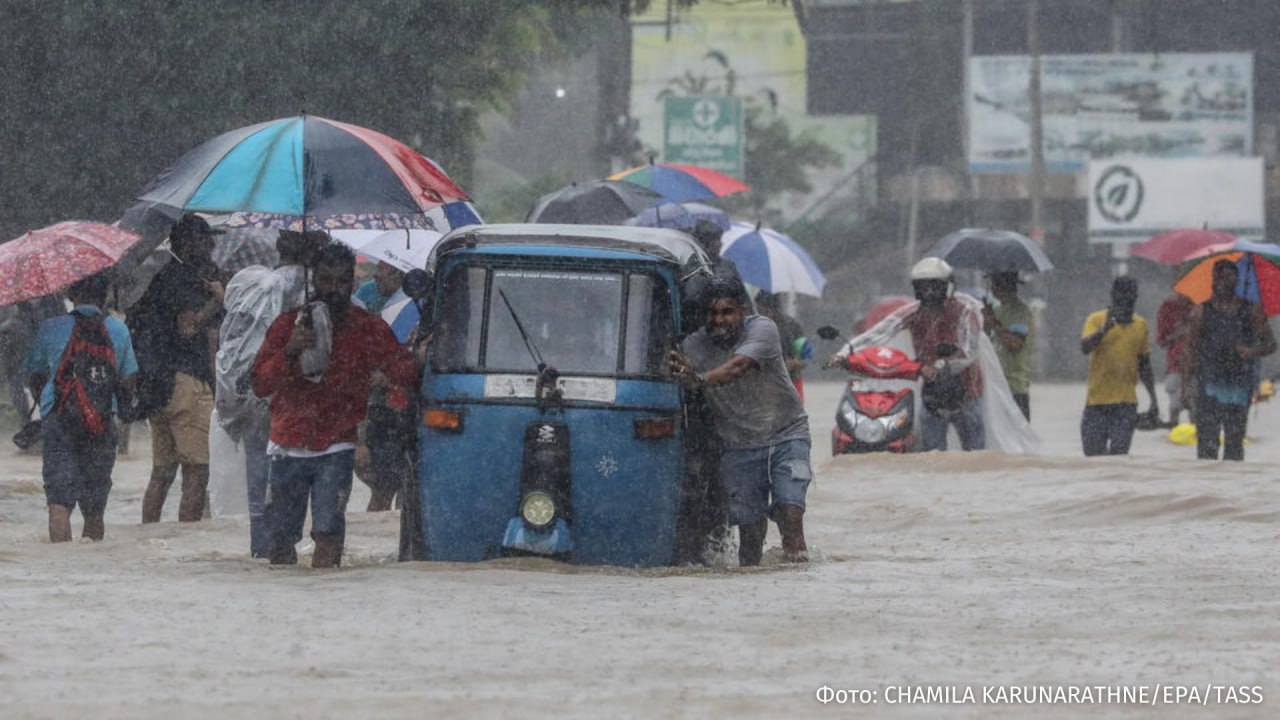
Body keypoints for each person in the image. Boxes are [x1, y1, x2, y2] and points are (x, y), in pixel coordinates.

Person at [251, 243, 425, 568]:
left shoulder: (368, 328)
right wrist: (289, 351)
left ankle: (323, 598)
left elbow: (402, 370)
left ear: (353, 283)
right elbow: (259, 383)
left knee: (329, 534)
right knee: (279, 541)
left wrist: (421, 354)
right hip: (288, 444)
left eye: (342, 281)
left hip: (337, 445)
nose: (334, 289)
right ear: (314, 280)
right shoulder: (288, 325)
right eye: (326, 280)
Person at [667, 276, 812, 566]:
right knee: (750, 534)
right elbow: (667, 368)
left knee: (790, 512)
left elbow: (738, 366)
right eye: (712, 313)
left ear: (743, 311)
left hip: (787, 434)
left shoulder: (763, 329)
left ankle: (798, 583)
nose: (718, 320)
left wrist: (697, 379)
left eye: (727, 312)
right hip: (738, 444)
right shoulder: (692, 347)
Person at [215, 228, 328, 557]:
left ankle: (261, 549)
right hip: (294, 397)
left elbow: (232, 344)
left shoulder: (255, 285)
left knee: (258, 479)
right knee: (295, 474)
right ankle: (286, 547)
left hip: (251, 395)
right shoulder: (314, 292)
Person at [22, 273, 137, 542]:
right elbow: (129, 380)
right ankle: (91, 568)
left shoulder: (50, 327)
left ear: (72, 295)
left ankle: (61, 571)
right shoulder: (117, 330)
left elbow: (35, 374)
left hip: (59, 417)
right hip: (101, 420)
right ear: (106, 294)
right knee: (94, 508)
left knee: (59, 502)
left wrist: (48, 402)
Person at [135, 213, 224, 524]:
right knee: (198, 471)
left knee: (163, 471)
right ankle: (189, 545)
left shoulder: (162, 279)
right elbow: (188, 328)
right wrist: (216, 301)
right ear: (186, 243)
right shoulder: (185, 280)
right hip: (187, 384)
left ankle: (150, 536)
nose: (212, 245)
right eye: (204, 239)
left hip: (160, 386)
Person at [1182, 259, 1275, 461]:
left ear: (1237, 280)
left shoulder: (1252, 310)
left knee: (1234, 445)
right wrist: (1186, 387)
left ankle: (1232, 489)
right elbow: (1189, 350)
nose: (1223, 282)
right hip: (1208, 386)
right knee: (1207, 445)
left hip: (1239, 387)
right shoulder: (1200, 311)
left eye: (1228, 277)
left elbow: (1271, 345)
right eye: (1219, 277)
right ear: (1213, 282)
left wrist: (1250, 351)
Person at [355, 260, 419, 512]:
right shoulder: (391, 308)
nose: (377, 275)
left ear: (398, 273)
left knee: (393, 491)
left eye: (383, 270)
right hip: (389, 417)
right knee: (390, 490)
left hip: (397, 416)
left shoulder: (407, 310)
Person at [1079, 276, 1159, 456]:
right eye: (1121, 295)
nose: (1125, 300)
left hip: (1126, 405)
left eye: (1130, 296)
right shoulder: (1096, 319)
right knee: (1093, 456)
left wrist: (1153, 399)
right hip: (1096, 403)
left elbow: (1144, 364)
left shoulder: (1141, 325)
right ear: (1113, 295)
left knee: (1118, 457)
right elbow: (1085, 347)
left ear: (1136, 297)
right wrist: (1103, 330)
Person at [982, 272, 1035, 420]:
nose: (996, 289)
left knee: (1018, 440)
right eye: (995, 285)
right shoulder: (997, 310)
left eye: (1001, 284)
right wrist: (986, 322)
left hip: (1015, 388)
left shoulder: (1021, 311)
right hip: (996, 388)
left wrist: (994, 323)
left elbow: (1015, 344)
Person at [754, 290, 814, 401]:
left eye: (761, 310)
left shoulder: (792, 326)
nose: (759, 314)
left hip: (791, 384)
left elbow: (806, 355)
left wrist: (796, 362)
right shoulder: (755, 328)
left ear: (771, 309)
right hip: (765, 387)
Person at [1156, 289, 1196, 427]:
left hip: (1197, 367)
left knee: (1196, 410)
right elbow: (1161, 341)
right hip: (1175, 366)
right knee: (1175, 407)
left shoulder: (1202, 308)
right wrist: (1179, 334)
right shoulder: (1168, 307)